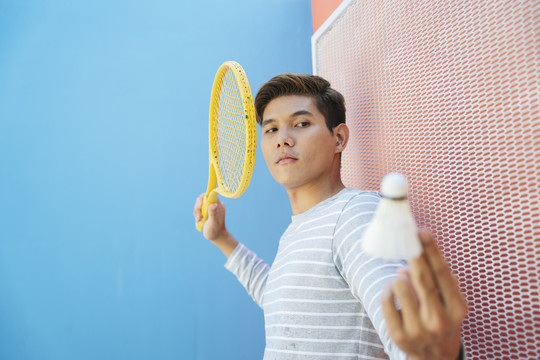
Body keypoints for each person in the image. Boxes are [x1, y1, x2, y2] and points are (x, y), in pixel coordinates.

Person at [193, 74, 468, 360]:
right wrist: (223, 239)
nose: (283, 140)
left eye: (301, 124)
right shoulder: (298, 230)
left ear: (338, 139)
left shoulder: (355, 215)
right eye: (271, 129)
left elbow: (401, 331)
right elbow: (283, 303)